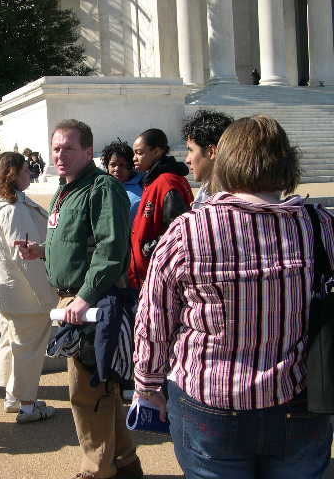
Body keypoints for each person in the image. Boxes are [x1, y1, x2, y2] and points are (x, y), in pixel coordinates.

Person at [134, 115, 334, 479]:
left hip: (210, 400)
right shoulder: (320, 225)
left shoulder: (187, 231)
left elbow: (154, 319)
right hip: (299, 396)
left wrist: (148, 384)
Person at [17, 119, 143, 479]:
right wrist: (42, 250)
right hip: (74, 302)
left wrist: (85, 298)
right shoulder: (66, 189)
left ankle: (96, 471)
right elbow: (76, 241)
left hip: (90, 303)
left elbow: (111, 249)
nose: (60, 155)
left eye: (68, 148)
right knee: (102, 389)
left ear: (89, 152)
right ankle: (124, 463)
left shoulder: (102, 187)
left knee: (86, 392)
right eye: (56, 148)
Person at [0, 151, 57, 423]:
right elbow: (25, 258)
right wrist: (47, 295)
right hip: (26, 295)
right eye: (25, 170)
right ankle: (28, 406)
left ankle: (14, 397)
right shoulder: (12, 209)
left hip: (9, 293)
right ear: (13, 174)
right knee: (28, 352)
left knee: (13, 345)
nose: (29, 174)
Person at [129, 128, 193, 289]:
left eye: (139, 153)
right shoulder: (154, 181)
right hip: (148, 274)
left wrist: (148, 249)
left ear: (157, 152)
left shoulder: (167, 183)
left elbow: (179, 230)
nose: (134, 158)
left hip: (161, 277)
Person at [182, 109, 233, 209]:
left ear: (211, 151)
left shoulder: (231, 201)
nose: (187, 160)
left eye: (191, 150)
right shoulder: (205, 190)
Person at [101, 139, 144, 225]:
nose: (117, 169)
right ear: (107, 166)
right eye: (113, 165)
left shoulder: (143, 186)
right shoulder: (101, 187)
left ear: (130, 166)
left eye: (122, 165)